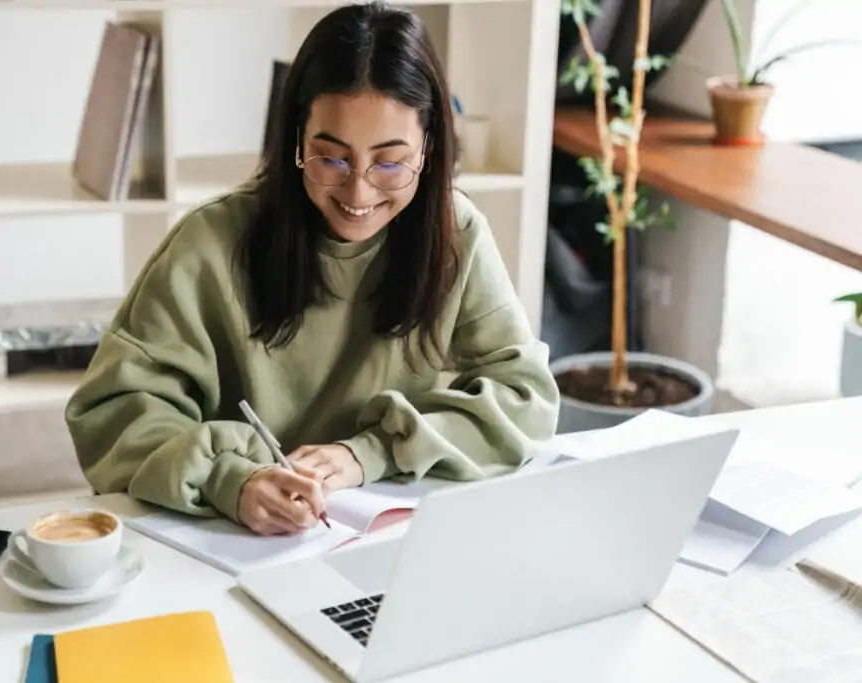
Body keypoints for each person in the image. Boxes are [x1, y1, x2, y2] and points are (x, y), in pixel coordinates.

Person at [64, 1, 560, 537]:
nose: (358, 191)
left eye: (390, 162)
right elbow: (112, 413)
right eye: (333, 157)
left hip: (377, 531)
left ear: (430, 149)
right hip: (230, 539)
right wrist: (230, 479)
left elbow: (526, 397)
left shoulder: (454, 233)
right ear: (297, 138)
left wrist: (369, 453)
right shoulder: (211, 243)